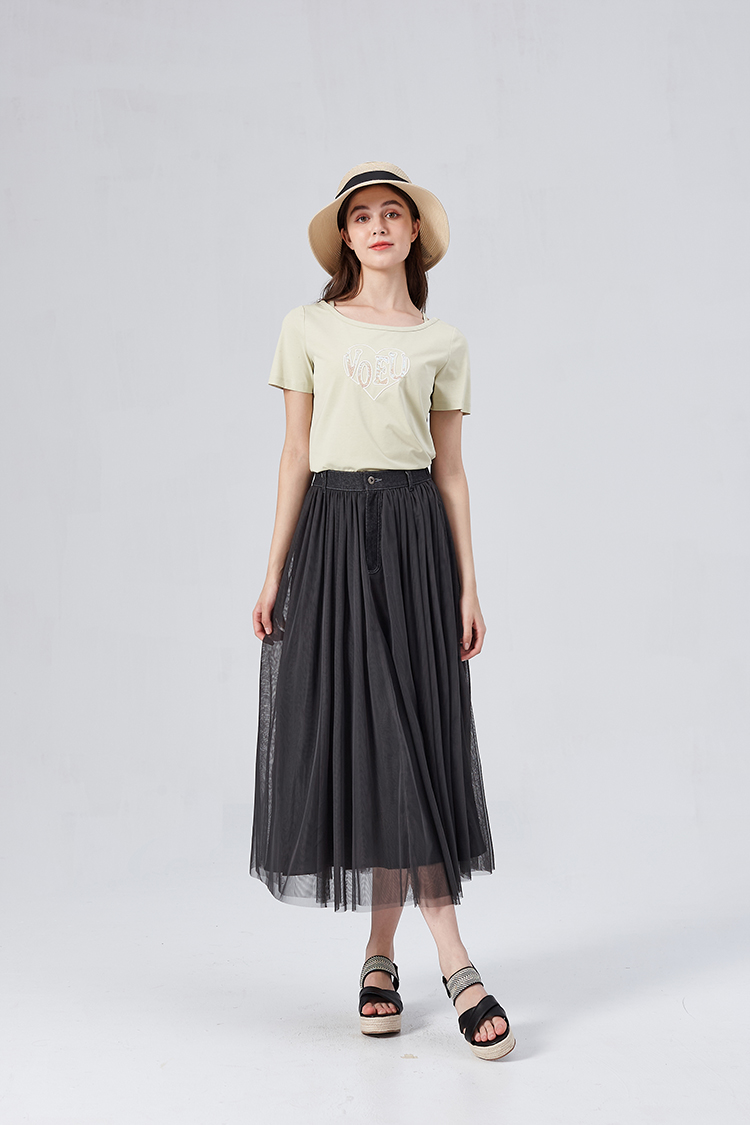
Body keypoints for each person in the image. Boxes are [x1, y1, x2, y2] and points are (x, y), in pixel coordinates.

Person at [249, 162, 515, 1060]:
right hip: (332, 533)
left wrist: (469, 584)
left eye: (391, 213)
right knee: (376, 741)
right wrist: (273, 570)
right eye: (361, 215)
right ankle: (455, 960)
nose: (376, 225)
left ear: (413, 234)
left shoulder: (443, 341)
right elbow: (295, 453)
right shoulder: (308, 326)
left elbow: (451, 471)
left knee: (414, 738)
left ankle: (379, 955)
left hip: (413, 538)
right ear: (345, 236)